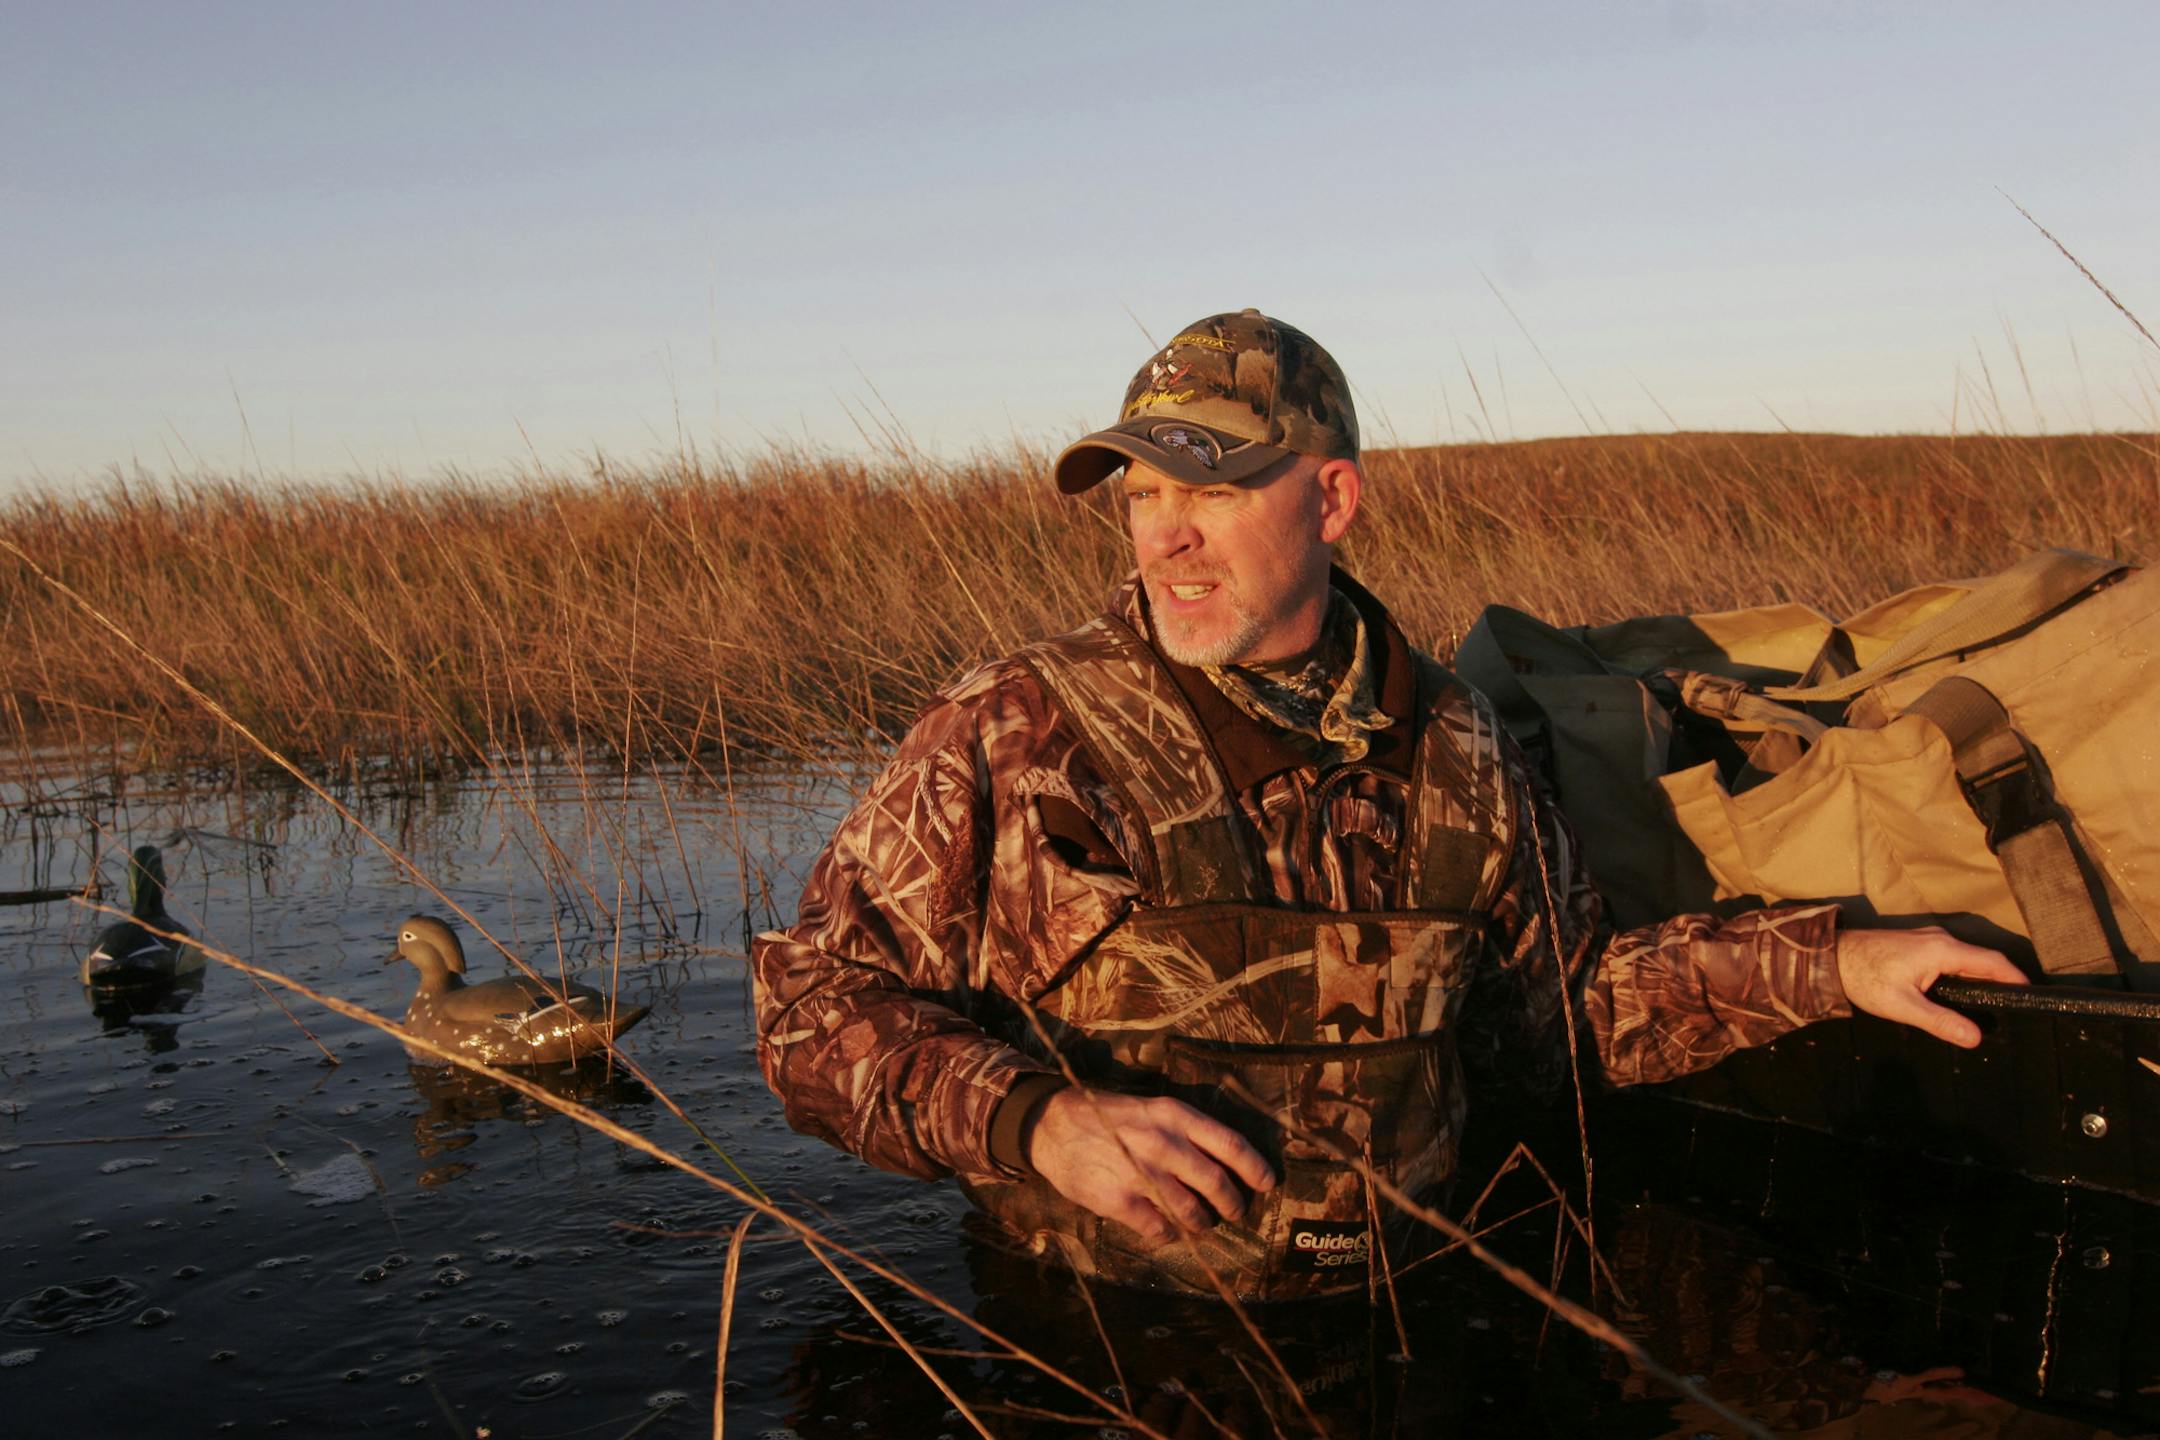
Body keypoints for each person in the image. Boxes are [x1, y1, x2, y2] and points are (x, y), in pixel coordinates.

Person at [750, 309, 2026, 1301]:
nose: (1164, 538)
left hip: (1401, 1336)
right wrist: (1037, 1122)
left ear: (1335, 500)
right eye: (1143, 495)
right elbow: (811, 1012)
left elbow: (1564, 1018)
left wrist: (1830, 963)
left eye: (1212, 489)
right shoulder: (1017, 724)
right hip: (1087, 1352)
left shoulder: (1462, 750)